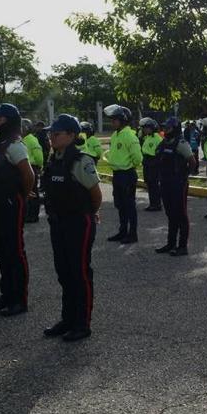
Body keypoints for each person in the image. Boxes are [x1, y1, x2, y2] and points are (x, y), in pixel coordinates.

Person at [42, 114, 102, 342]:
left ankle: (82, 323)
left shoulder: (81, 161)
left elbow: (95, 195)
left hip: (78, 222)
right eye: (50, 134)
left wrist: (89, 212)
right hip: (58, 221)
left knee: (80, 273)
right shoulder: (54, 158)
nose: (51, 137)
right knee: (64, 272)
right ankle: (67, 319)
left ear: (71, 135)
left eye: (56, 134)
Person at [0, 103, 35, 317]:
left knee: (14, 251)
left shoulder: (14, 145)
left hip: (11, 203)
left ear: (9, 121)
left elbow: (28, 174)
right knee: (0, 250)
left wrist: (23, 194)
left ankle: (19, 299)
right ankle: (6, 294)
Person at [155, 117, 194, 256]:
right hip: (165, 183)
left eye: (168, 128)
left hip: (178, 184)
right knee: (170, 214)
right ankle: (170, 243)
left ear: (175, 129)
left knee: (181, 215)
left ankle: (182, 246)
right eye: (164, 128)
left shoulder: (181, 143)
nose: (165, 130)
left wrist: (184, 176)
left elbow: (192, 161)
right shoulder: (164, 143)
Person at [103, 104, 141, 243]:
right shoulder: (115, 134)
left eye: (115, 119)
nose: (112, 121)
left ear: (123, 120)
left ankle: (133, 234)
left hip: (126, 174)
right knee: (120, 204)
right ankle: (123, 231)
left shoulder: (130, 136)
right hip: (117, 174)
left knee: (129, 205)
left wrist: (128, 166)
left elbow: (138, 158)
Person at [22, 118, 45, 223]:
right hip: (25, 167)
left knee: (33, 192)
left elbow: (39, 156)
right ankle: (27, 214)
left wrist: (39, 166)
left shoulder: (31, 139)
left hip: (32, 167)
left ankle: (33, 215)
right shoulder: (23, 139)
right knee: (26, 192)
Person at [140, 117, 163, 211]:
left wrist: (155, 162)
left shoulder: (158, 138)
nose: (145, 129)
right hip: (147, 162)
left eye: (147, 127)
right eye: (144, 128)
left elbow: (159, 152)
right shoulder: (147, 138)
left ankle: (157, 204)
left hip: (154, 162)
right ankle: (152, 203)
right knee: (149, 183)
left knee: (154, 183)